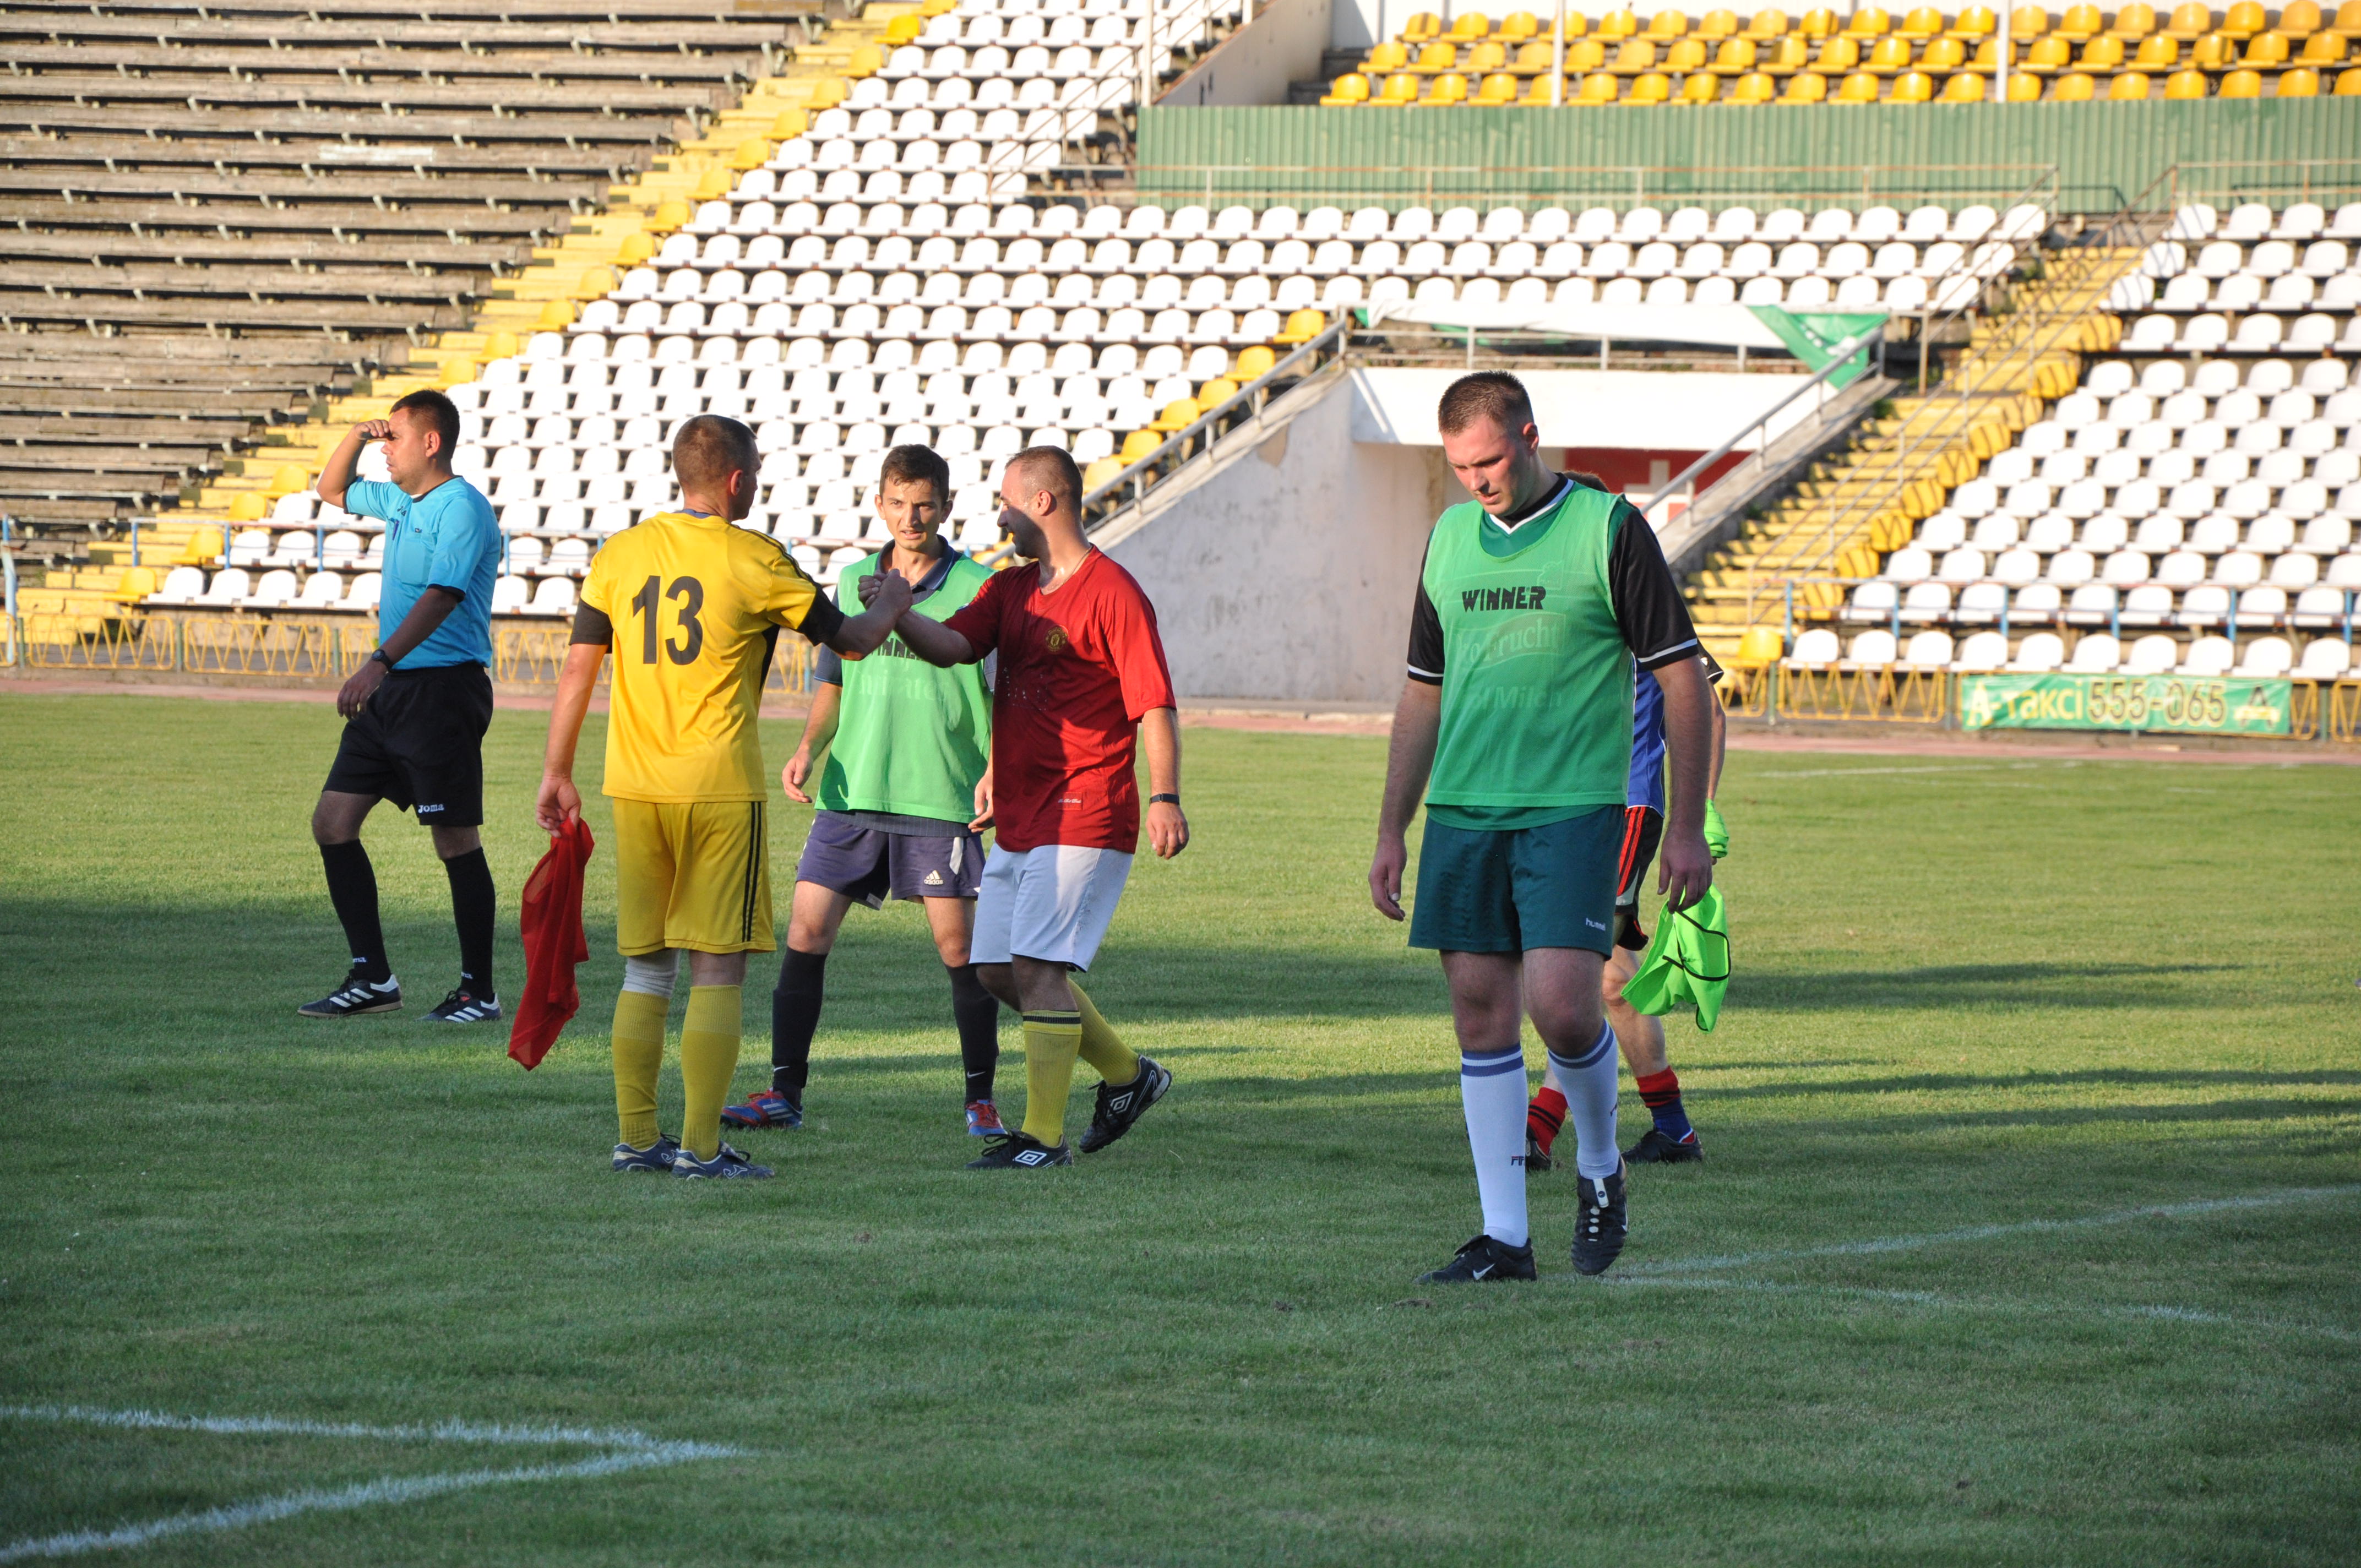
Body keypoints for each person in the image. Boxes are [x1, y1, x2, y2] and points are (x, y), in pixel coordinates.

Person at [1368, 373, 1716, 1284]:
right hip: (1463, 811)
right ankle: (1505, 1239)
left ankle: (1601, 1167)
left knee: (1563, 1004)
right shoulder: (1449, 539)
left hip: (1573, 807)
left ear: (1528, 436)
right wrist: (1392, 827)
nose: (1476, 480)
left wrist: (1685, 827)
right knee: (1479, 1018)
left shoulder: (1608, 528)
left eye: (1488, 460)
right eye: (1459, 467)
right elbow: (1422, 691)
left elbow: (1684, 679)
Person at [535, 415, 914, 1180]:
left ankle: (637, 1139)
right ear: (738, 480)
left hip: (635, 787)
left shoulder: (620, 553)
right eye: (758, 474)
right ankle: (702, 1150)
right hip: (717, 788)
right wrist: (896, 600)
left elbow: (578, 668)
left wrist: (556, 771)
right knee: (717, 968)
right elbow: (852, 640)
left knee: (646, 968)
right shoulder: (755, 557)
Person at [883, 446, 1187, 1170]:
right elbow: (953, 646)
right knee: (995, 969)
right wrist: (897, 614)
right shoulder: (1013, 587)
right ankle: (1128, 1075)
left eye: (1007, 501)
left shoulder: (1114, 591)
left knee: (1037, 964)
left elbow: (1154, 704)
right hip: (1023, 812)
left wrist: (1166, 796)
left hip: (1087, 805)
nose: (1000, 515)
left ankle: (1042, 1139)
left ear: (1043, 502)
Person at [717, 445, 1006, 1139]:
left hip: (940, 793)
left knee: (959, 951)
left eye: (925, 504)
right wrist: (809, 748)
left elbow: (1002, 691)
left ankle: (981, 1100)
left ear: (946, 507)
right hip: (852, 790)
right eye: (899, 503)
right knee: (805, 933)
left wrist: (997, 768)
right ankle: (784, 1093)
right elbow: (833, 681)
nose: (912, 517)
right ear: (879, 503)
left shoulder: (980, 585)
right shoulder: (852, 581)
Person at [300, 389, 504, 1023]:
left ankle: (479, 992)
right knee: (332, 823)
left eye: (395, 438)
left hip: (442, 691)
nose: (385, 449)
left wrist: (379, 661)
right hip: (391, 692)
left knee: (454, 839)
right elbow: (331, 489)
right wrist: (357, 436)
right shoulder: (399, 500)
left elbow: (442, 596)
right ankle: (373, 978)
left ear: (431, 443)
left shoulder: (463, 508)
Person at [1525, 657, 1728, 1172]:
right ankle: (1674, 1129)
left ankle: (1539, 1128)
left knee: (1578, 972)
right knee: (1612, 982)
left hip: (1628, 807)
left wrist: (1701, 814)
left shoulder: (1652, 613)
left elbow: (1709, 709)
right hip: (1564, 807)